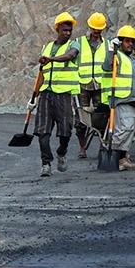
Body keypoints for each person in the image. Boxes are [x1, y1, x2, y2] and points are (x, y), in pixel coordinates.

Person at [35, 12, 82, 176]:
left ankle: (62, 152)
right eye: (65, 30)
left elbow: (70, 56)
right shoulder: (46, 47)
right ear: (57, 29)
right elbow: (41, 73)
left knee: (65, 131)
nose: (68, 33)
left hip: (64, 94)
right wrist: (33, 96)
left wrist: (52, 60)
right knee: (42, 131)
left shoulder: (74, 45)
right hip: (46, 94)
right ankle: (46, 163)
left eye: (70, 30)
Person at [99, 26, 135, 171]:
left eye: (132, 41)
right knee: (124, 128)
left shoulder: (129, 58)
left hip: (132, 99)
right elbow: (107, 66)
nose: (130, 44)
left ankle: (123, 158)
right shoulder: (115, 55)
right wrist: (111, 50)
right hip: (120, 98)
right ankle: (114, 157)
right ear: (120, 42)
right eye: (127, 41)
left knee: (131, 130)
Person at [75, 12, 111, 160]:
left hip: (100, 85)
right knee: (81, 119)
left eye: (99, 29)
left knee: (101, 118)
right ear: (89, 27)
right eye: (94, 29)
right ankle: (82, 147)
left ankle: (103, 145)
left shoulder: (107, 45)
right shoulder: (79, 42)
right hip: (83, 84)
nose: (96, 32)